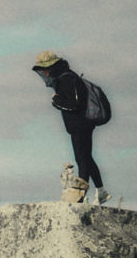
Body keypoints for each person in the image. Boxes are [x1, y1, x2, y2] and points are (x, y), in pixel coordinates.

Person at [32, 51, 111, 205]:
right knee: (86, 157)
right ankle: (101, 191)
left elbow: (74, 104)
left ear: (53, 66)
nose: (44, 72)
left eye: (45, 68)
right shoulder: (66, 77)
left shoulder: (66, 78)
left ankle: (80, 195)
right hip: (80, 124)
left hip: (81, 124)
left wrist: (56, 101)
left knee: (82, 158)